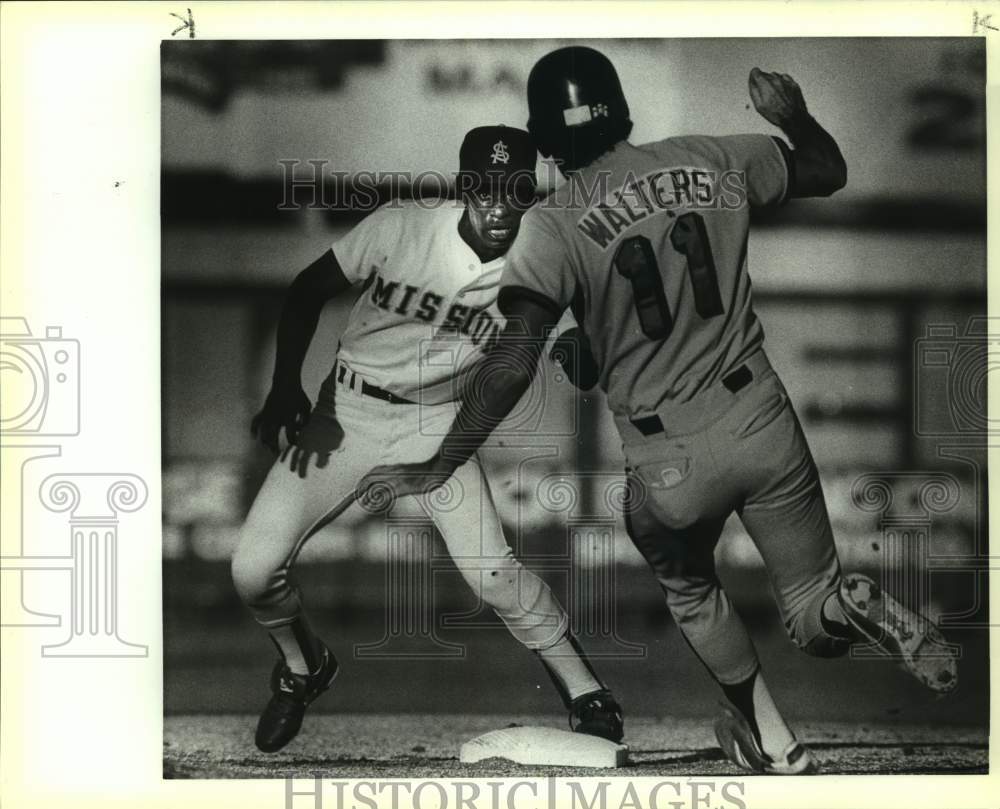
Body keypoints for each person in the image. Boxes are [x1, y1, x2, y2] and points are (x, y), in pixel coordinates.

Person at [358, 48, 959, 775]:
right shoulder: (707, 156)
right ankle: (847, 604)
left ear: (544, 141)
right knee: (811, 611)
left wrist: (445, 457)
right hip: (761, 416)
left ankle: (775, 741)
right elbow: (827, 171)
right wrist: (793, 117)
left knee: (691, 587)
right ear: (623, 111)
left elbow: (515, 360)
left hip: (669, 454)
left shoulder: (550, 224)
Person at [231, 124, 624, 754]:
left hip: (437, 420)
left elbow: (579, 358)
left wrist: (583, 349)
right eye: (485, 188)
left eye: (515, 190)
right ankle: (304, 667)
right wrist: (284, 387)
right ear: (465, 186)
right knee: (252, 570)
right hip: (345, 411)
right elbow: (308, 289)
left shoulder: (545, 260)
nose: (499, 205)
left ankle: (586, 693)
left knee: (492, 572)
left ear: (532, 193)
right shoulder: (404, 225)